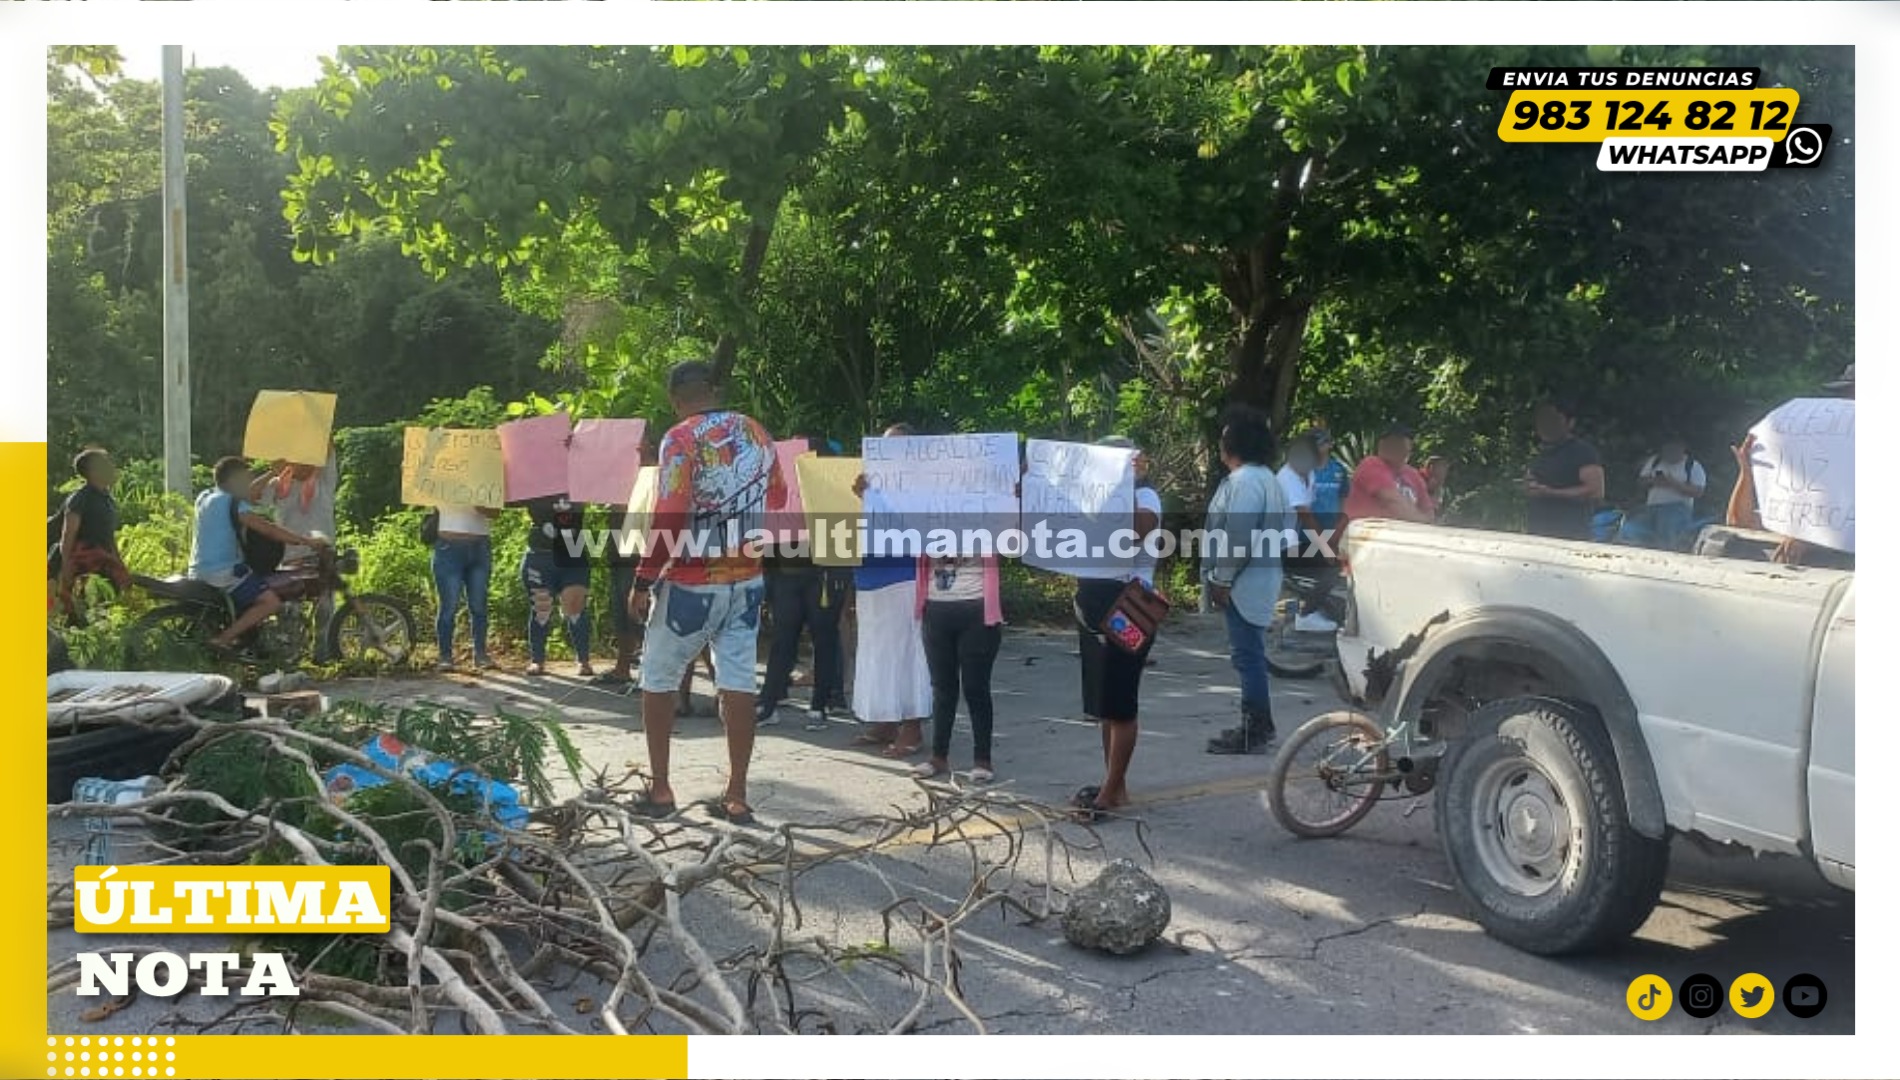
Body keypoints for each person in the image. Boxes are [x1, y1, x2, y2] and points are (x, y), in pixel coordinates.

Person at [628, 360, 787, 825]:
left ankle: (661, 789)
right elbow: (777, 499)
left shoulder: (680, 437)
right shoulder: (757, 432)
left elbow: (670, 514)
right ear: (714, 391)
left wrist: (643, 578)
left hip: (692, 581)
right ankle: (736, 795)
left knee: (658, 678)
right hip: (748, 577)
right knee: (737, 679)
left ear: (675, 398)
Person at [1070, 436, 1163, 819]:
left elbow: (1140, 530)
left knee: (1121, 703)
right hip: (1091, 603)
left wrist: (1122, 486)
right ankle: (1115, 784)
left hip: (1130, 606)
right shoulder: (1088, 499)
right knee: (1104, 704)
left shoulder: (1145, 496)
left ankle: (1110, 791)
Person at [1203, 405, 1293, 755]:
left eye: (1224, 438)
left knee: (1248, 656)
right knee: (1250, 653)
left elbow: (1237, 537)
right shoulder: (1269, 479)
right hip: (1263, 577)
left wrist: (1222, 580)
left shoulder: (1245, 483)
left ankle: (1255, 727)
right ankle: (1257, 723)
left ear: (1234, 446)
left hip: (1243, 582)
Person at [188, 456, 329, 653]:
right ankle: (222, 639)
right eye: (246, 478)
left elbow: (252, 493)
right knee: (270, 601)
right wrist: (306, 541)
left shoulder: (205, 496)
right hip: (223, 572)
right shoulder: (233, 503)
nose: (249, 482)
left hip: (198, 569)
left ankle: (248, 641)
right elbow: (268, 529)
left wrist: (273, 472)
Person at [849, 424, 931, 758]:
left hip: (904, 575)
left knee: (907, 653)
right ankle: (884, 720)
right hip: (868, 576)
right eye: (884, 448)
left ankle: (912, 727)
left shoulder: (924, 488)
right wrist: (858, 496)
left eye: (897, 447)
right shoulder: (869, 482)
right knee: (875, 651)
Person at [758, 438, 849, 732]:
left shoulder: (837, 489)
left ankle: (819, 705)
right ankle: (769, 702)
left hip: (825, 574)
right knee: (783, 637)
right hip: (787, 573)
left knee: (823, 637)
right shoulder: (781, 488)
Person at [1727, 363, 1855, 568]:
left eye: (1851, 395)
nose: (1845, 403)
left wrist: (1813, 540)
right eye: (1844, 395)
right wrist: (1747, 473)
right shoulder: (1810, 472)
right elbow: (1740, 523)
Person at [911, 549, 1006, 782]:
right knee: (942, 688)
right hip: (936, 608)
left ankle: (982, 759)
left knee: (976, 688)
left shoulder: (986, 516)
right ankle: (938, 756)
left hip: (977, 608)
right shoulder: (926, 518)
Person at [257, 449, 340, 660]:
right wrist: (270, 471)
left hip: (322, 554)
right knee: (290, 610)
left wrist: (313, 423)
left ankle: (322, 654)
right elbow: (252, 496)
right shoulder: (278, 484)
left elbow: (328, 446)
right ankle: (290, 656)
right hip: (289, 557)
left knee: (325, 607)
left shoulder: (323, 479)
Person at [53, 448, 132, 624]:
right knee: (79, 615)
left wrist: (119, 564)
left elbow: (108, 537)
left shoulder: (107, 499)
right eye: (106, 464)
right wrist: (66, 568)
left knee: (103, 613)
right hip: (83, 567)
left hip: (104, 565)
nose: (112, 468)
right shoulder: (80, 498)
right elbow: (68, 535)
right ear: (93, 471)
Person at [520, 494, 593, 677]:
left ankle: (583, 660)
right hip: (539, 555)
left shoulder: (580, 476)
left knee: (575, 608)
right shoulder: (534, 477)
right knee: (541, 608)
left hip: (572, 555)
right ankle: (537, 660)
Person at [1274, 433, 1338, 633]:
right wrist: (1326, 549)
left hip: (1291, 540)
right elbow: (1306, 516)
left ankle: (1313, 605)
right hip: (1277, 545)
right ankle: (1307, 614)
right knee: (1333, 565)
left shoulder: (1307, 476)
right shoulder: (1288, 478)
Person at [1523, 400, 1605, 540]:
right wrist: (1529, 486)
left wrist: (1552, 493)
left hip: (1570, 534)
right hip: (1538, 532)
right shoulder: (1541, 452)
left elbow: (1596, 491)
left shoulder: (1583, 452)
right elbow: (1530, 482)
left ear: (1570, 423)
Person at [431, 503, 498, 671]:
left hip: (479, 546)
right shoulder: (441, 476)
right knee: (449, 606)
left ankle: (481, 654)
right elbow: (419, 493)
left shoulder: (484, 477)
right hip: (448, 546)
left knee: (479, 605)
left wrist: (479, 505)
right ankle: (445, 657)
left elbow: (496, 513)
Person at [1342, 425, 1437, 526]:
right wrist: (1422, 521)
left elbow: (1429, 512)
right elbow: (1393, 503)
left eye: (1402, 441)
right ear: (1381, 445)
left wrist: (1424, 522)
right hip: (1362, 534)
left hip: (1400, 535)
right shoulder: (1371, 465)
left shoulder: (1413, 475)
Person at [1635, 437, 1706, 549]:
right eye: (1667, 449)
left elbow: (1699, 492)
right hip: (1652, 506)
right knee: (1643, 537)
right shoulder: (1655, 461)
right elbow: (1641, 481)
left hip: (1677, 509)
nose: (1670, 452)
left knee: (1668, 539)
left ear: (1682, 449)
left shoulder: (1692, 465)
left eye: (1674, 449)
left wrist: (1674, 483)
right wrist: (1654, 481)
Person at [1308, 428, 1351, 540]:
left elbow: (1344, 498)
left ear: (1329, 444)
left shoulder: (1339, 469)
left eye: (1321, 443)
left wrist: (1340, 526)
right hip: (1306, 532)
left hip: (1332, 531)